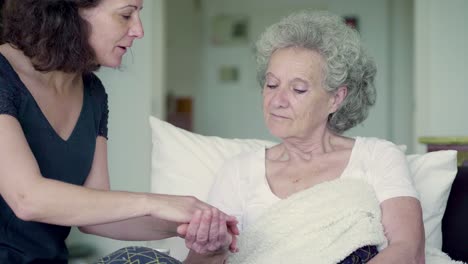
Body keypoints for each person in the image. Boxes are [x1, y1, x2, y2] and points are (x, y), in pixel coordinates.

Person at [0, 0, 237, 263]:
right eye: (126, 15)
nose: (138, 30)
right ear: (69, 13)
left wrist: (194, 225)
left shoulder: (92, 92)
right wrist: (156, 202)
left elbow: (99, 220)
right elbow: (27, 198)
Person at [182, 11, 425, 263]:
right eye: (272, 85)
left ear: (336, 98)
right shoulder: (237, 172)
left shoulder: (378, 157)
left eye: (298, 89)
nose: (277, 101)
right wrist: (210, 249)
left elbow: (408, 250)